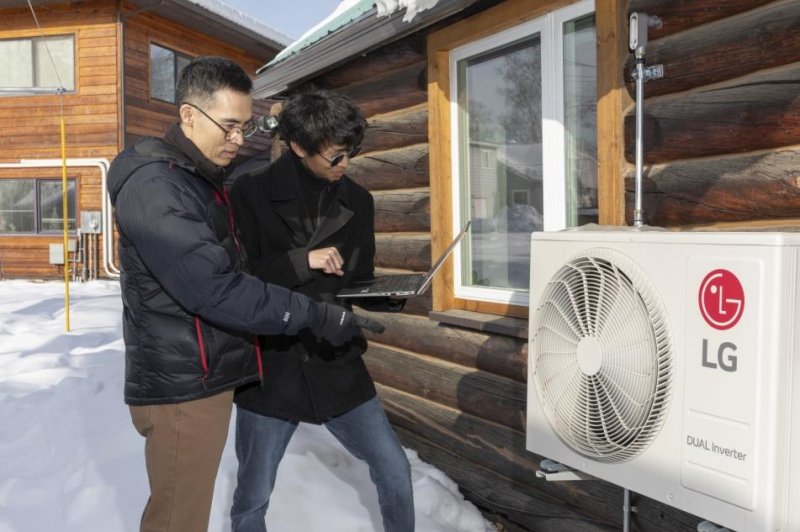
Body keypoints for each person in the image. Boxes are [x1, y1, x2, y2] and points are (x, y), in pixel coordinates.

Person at [107, 57, 381, 532]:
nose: (239, 139)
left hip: (200, 376)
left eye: (246, 126)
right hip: (181, 388)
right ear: (189, 115)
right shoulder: (159, 189)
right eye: (229, 126)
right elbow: (217, 288)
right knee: (178, 519)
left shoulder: (194, 181)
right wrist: (312, 313)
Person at [228, 89, 414, 532]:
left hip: (337, 359)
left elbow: (356, 278)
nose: (345, 164)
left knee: (395, 471)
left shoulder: (359, 201)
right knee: (253, 496)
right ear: (297, 146)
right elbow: (236, 281)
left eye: (351, 153)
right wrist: (300, 261)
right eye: (335, 157)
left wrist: (385, 293)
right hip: (272, 367)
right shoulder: (249, 193)